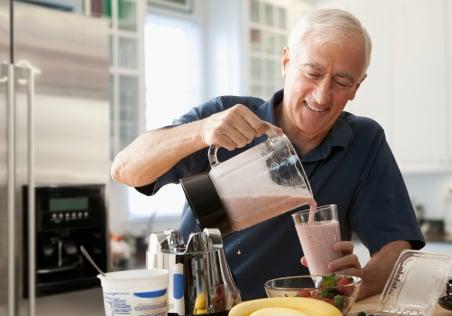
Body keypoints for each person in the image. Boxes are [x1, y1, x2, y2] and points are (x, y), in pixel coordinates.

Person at [111, 8, 424, 301]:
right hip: (202, 309)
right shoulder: (224, 116)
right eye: (312, 73)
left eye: (342, 82)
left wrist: (362, 282)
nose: (322, 95)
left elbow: (397, 245)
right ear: (286, 63)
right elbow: (125, 169)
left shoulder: (364, 141)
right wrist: (200, 132)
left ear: (357, 86)